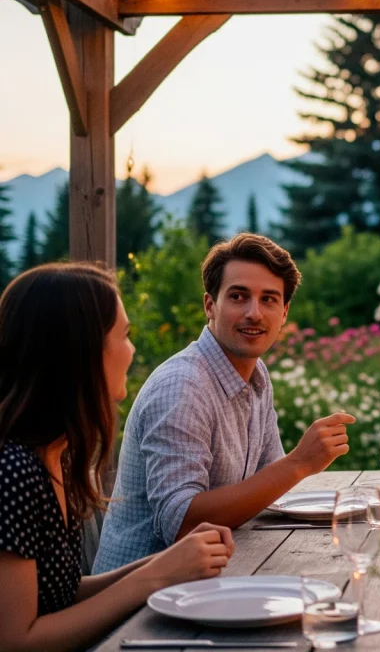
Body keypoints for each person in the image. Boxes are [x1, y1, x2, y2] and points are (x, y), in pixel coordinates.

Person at [0, 263, 235, 652]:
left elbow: (56, 593)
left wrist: (167, 563)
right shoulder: (13, 470)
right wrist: (154, 577)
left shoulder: (53, 457)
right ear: (83, 350)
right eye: (124, 335)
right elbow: (15, 640)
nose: (133, 349)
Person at [94, 234, 356, 572]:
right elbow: (182, 523)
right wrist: (299, 463)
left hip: (219, 573)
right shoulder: (182, 386)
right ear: (210, 305)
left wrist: (299, 469)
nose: (254, 313)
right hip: (141, 595)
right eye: (238, 296)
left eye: (268, 299)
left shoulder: (256, 375)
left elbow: (268, 488)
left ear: (284, 313)